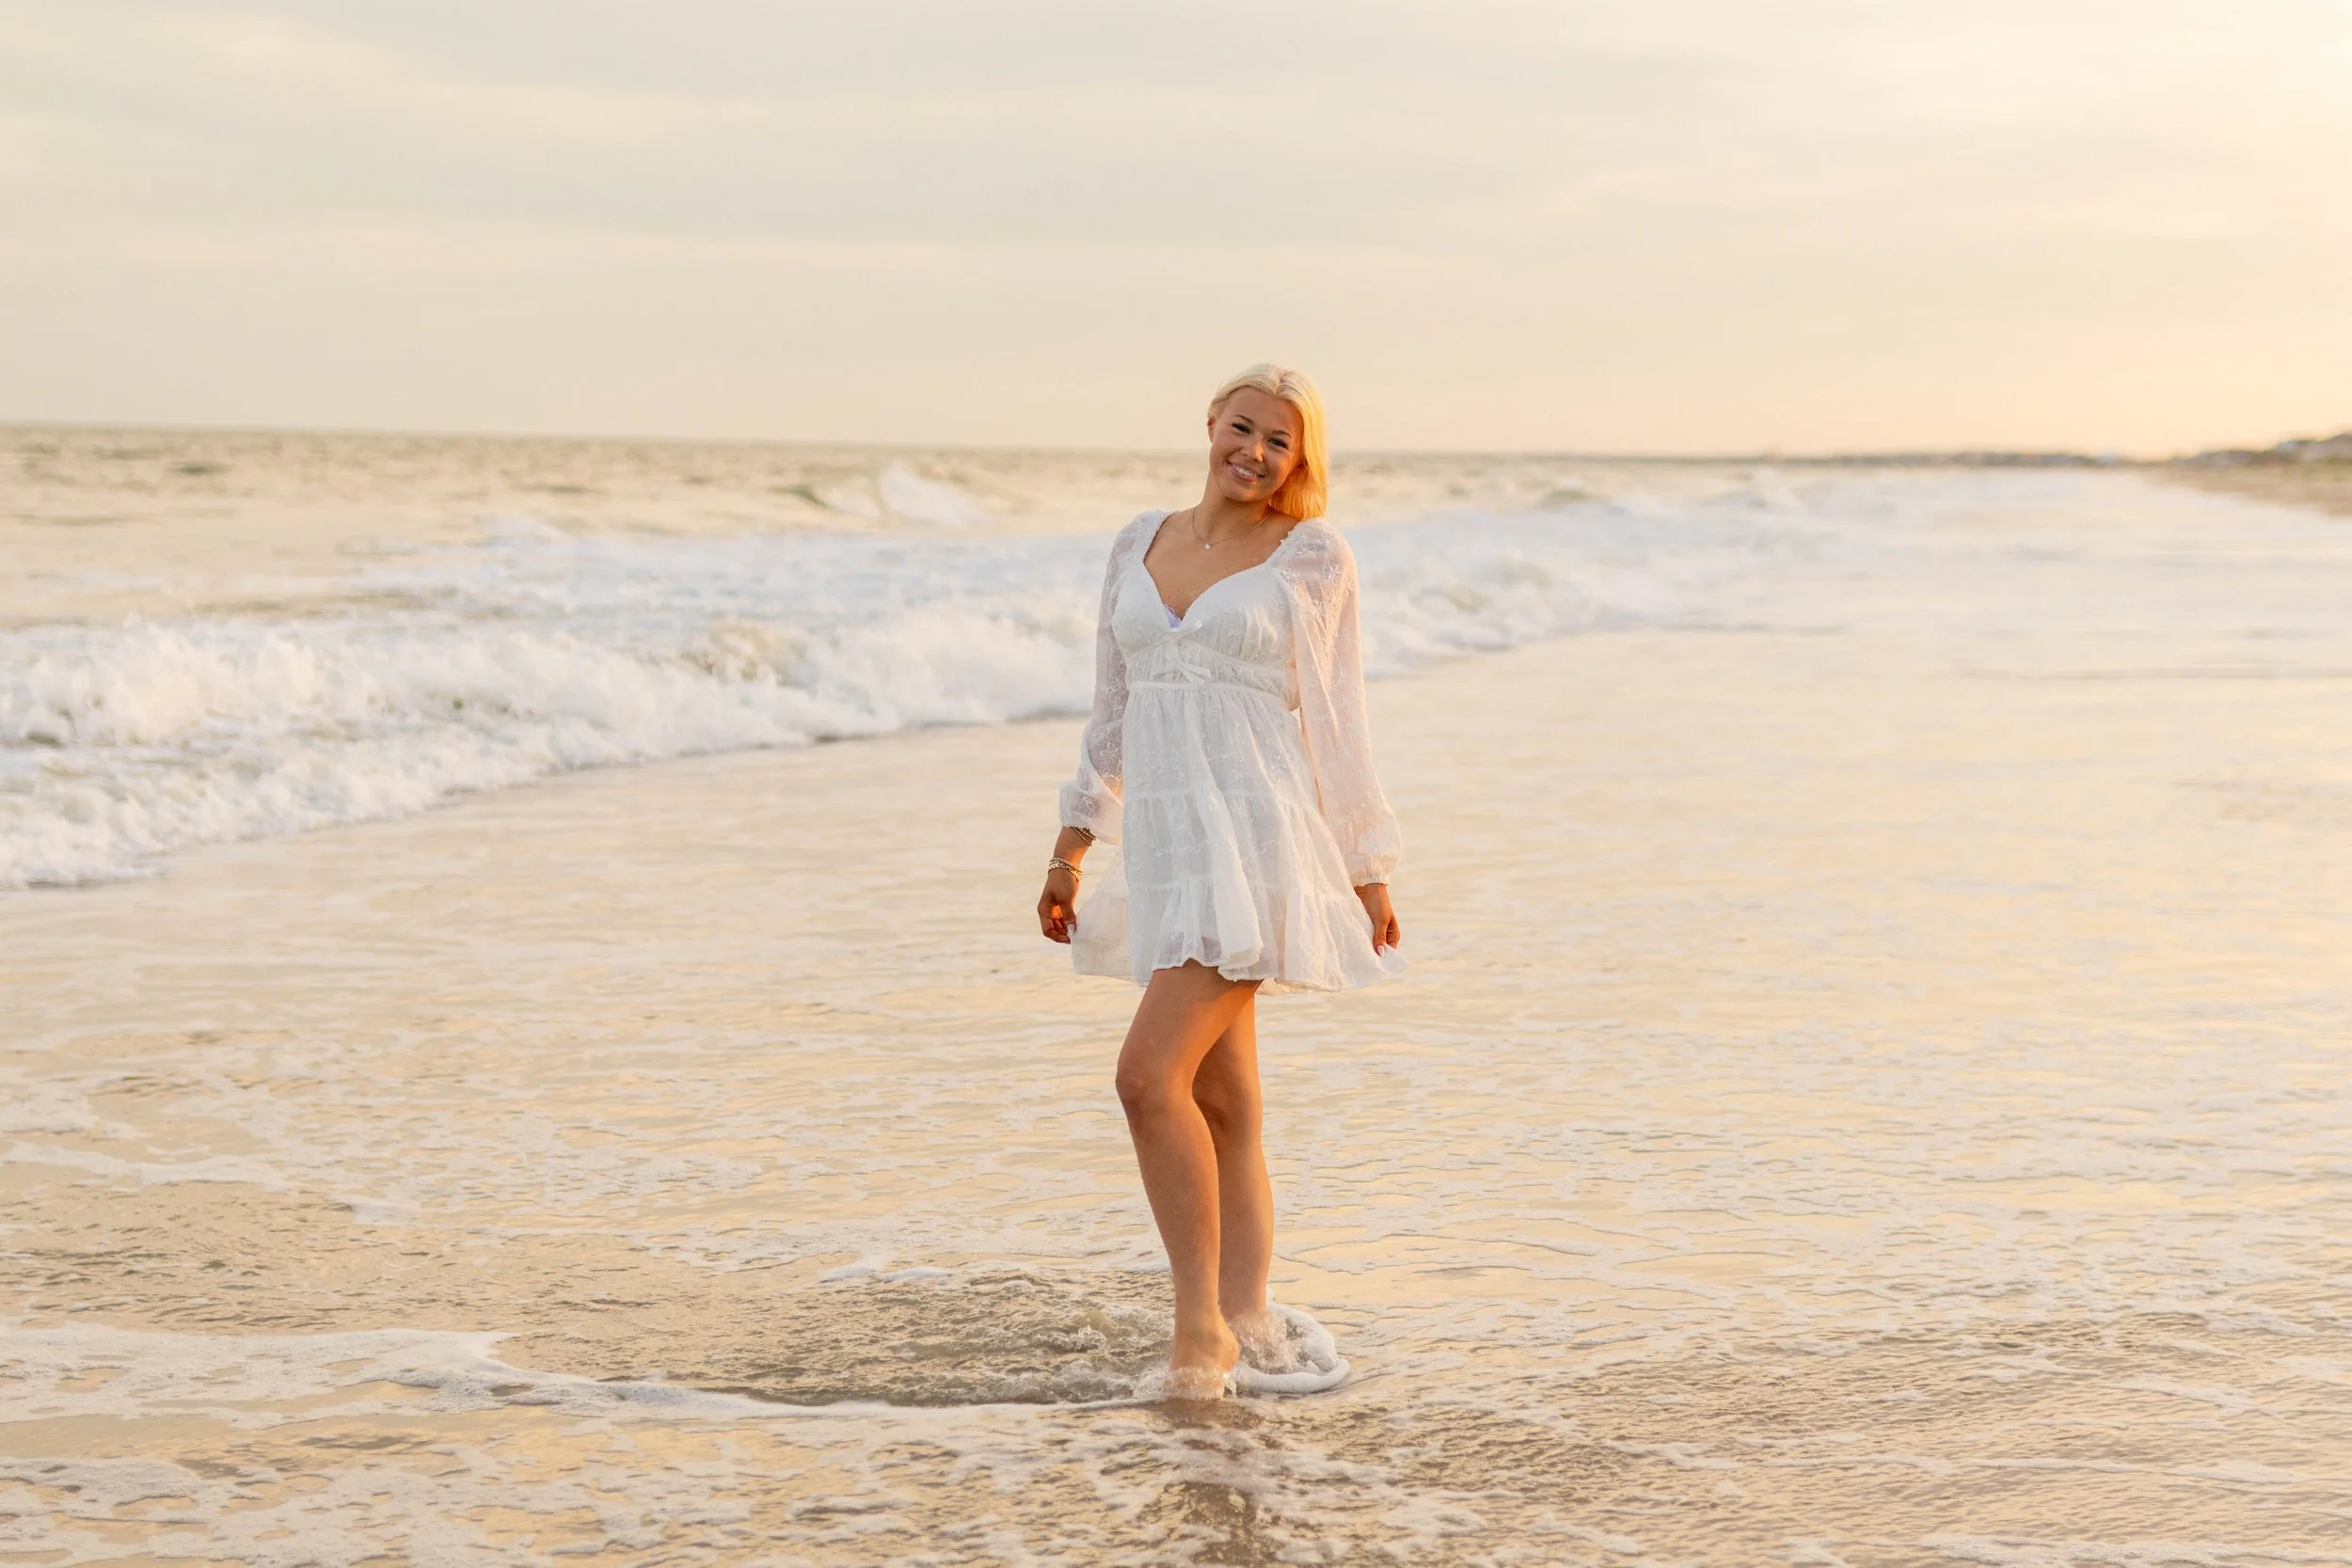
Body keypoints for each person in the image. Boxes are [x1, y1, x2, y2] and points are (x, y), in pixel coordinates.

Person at [1036, 363, 1403, 1400]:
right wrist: (1073, 841)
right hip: (1164, 838)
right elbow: (1111, 706)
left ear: (1301, 457)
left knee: (1146, 1078)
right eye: (1242, 428)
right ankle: (1249, 1309)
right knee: (1222, 1096)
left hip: (1256, 836)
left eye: (1278, 441)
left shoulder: (1312, 555)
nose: (1254, 451)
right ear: (1209, 424)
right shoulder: (1136, 541)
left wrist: (1366, 864)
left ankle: (1200, 1330)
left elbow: (1338, 718)